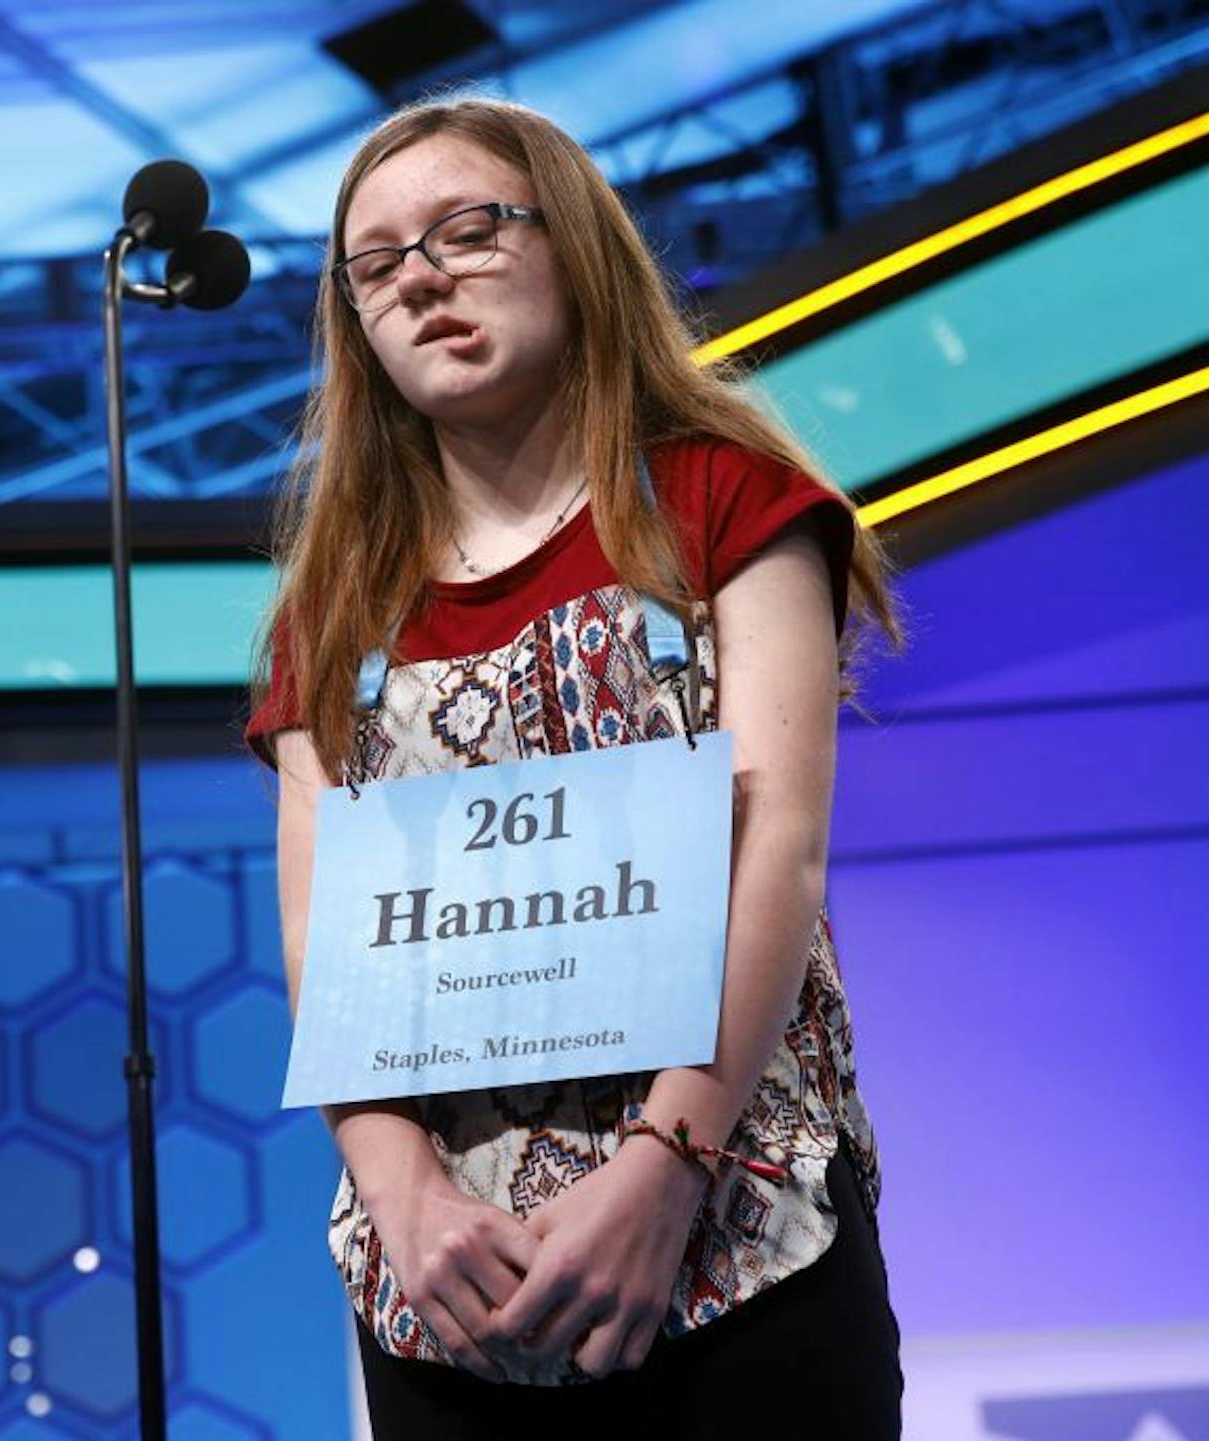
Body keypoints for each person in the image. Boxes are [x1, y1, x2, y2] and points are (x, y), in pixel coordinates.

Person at [243, 96, 909, 1438]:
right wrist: (404, 1195)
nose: (420, 277)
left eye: (467, 230)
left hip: (739, 1226)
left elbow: (777, 854)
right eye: (376, 264)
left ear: (576, 247)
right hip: (452, 1283)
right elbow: (326, 942)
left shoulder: (724, 498)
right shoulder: (333, 607)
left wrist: (667, 1164)